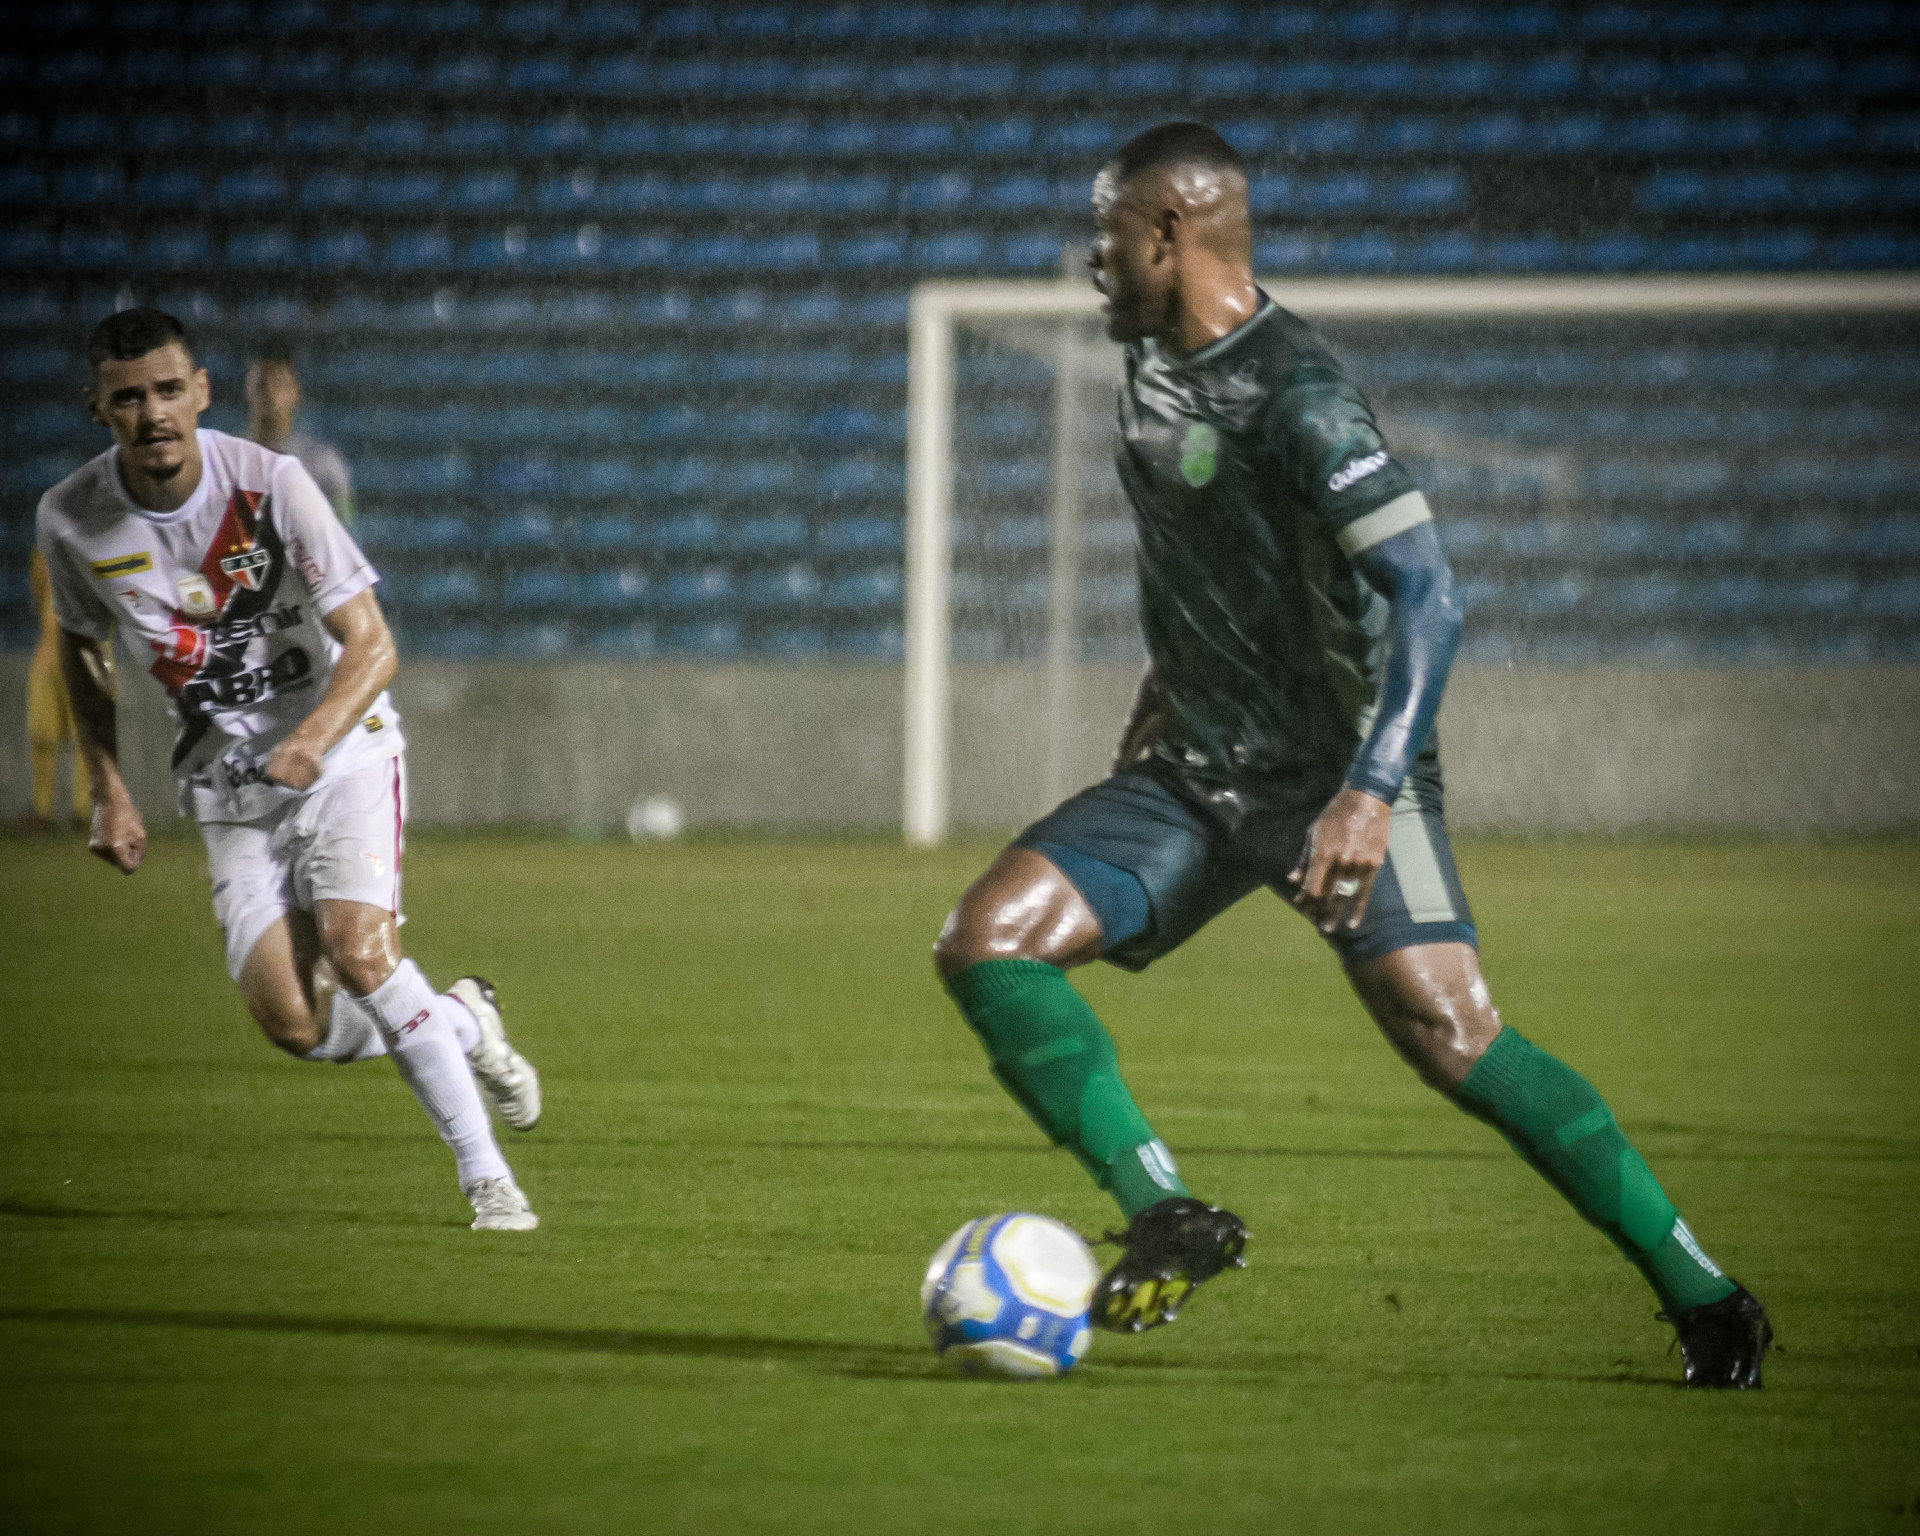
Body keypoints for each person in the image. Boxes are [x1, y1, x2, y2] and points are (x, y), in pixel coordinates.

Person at [932, 124, 1772, 1387]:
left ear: (1168, 232)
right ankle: (1167, 1209)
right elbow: (1216, 549)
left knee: (1456, 1038)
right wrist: (1172, 677)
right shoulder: (1149, 366)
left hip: (1338, 777)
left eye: (1106, 237)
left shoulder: (1303, 397)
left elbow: (1429, 595)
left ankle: (1707, 1296)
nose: (1089, 263)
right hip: (1203, 769)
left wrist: (1371, 793)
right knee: (986, 938)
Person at [37, 307, 541, 1232]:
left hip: (342, 751)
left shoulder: (274, 486)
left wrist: (309, 741)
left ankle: (489, 1184)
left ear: (202, 394)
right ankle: (463, 1021)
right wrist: (107, 782)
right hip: (227, 789)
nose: (152, 413)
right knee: (293, 1024)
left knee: (359, 954)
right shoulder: (72, 520)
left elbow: (373, 644)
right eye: (128, 398)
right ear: (98, 408)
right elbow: (82, 650)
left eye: (167, 390)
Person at [245, 338, 355, 529]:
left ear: (295, 391)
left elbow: (346, 534)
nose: (270, 393)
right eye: (262, 384)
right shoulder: (226, 458)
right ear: (248, 389)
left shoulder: (323, 465)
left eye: (279, 384)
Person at [26, 547, 92, 829]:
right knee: (42, 735)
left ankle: (85, 813)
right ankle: (42, 812)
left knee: (87, 740)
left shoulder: (95, 550)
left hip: (87, 656)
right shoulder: (44, 549)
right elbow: (40, 591)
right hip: (48, 656)